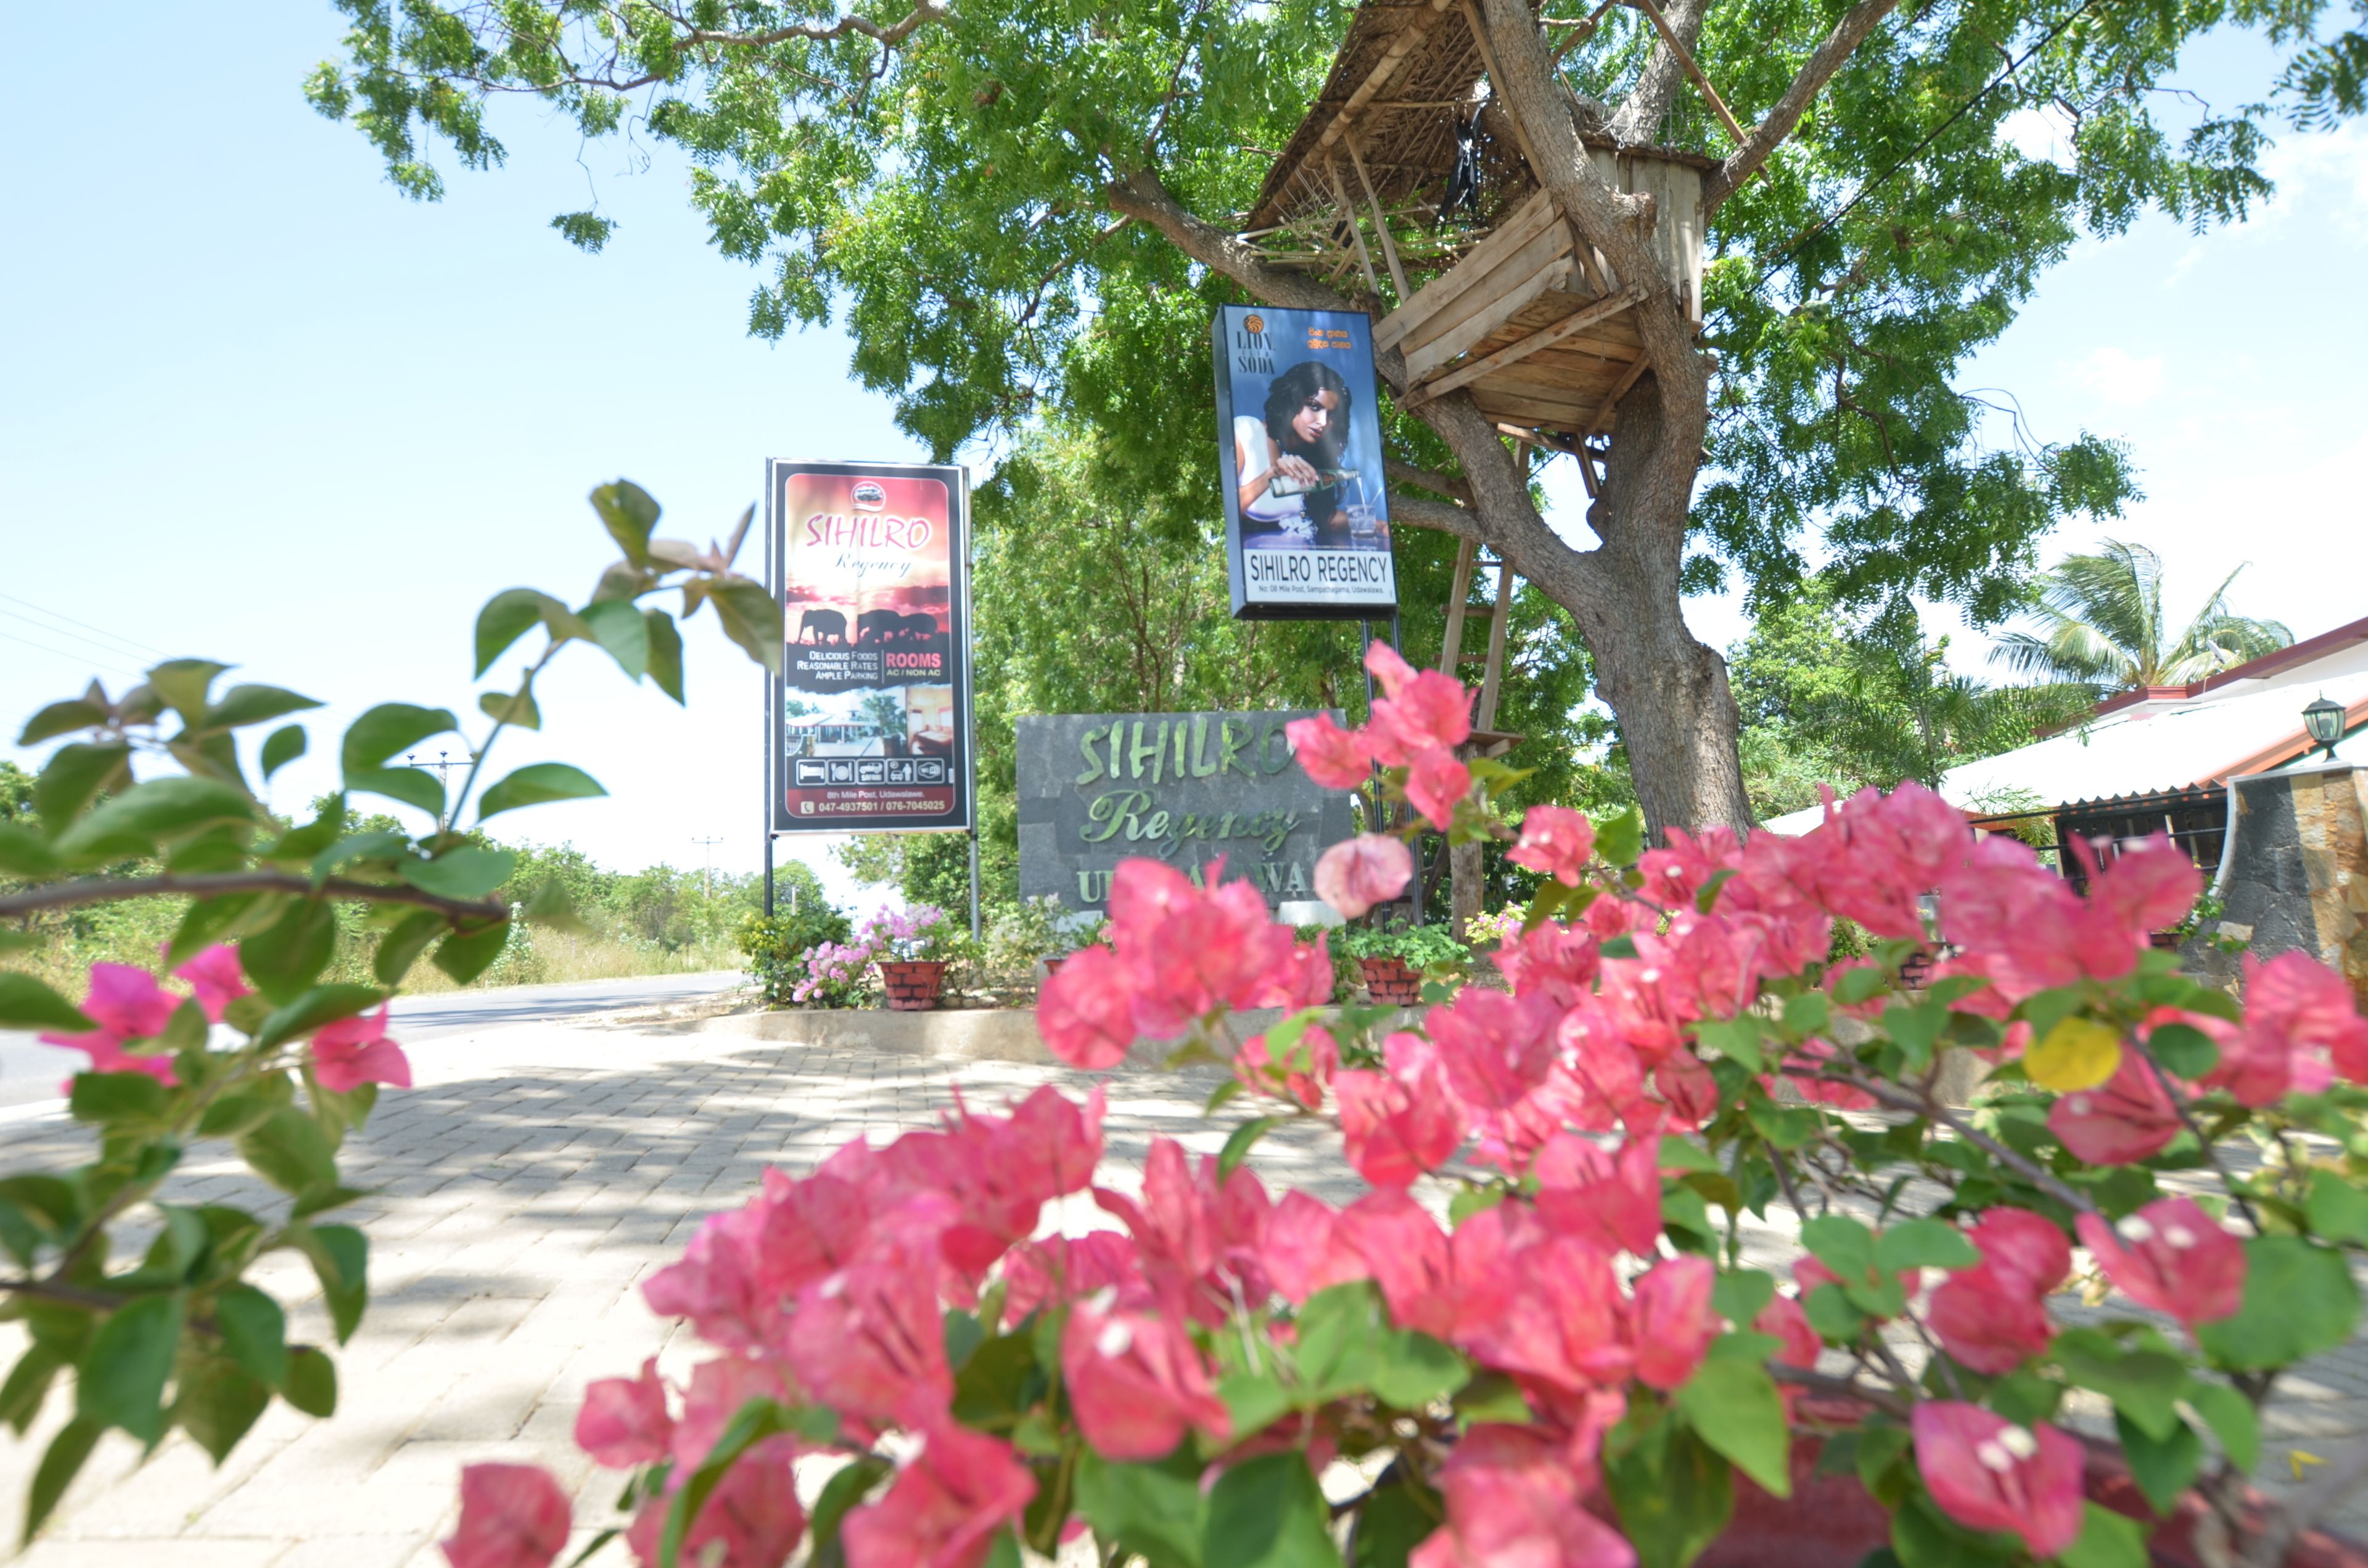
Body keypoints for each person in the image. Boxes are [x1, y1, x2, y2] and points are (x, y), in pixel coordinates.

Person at [1235, 360, 1371, 543]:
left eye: (1331, 415)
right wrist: (1271, 475)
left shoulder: (1312, 457)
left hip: (1301, 564)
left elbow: (1325, 519)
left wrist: (1377, 525)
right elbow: (1228, 507)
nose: (1323, 422)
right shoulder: (1246, 432)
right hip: (1256, 563)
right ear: (1291, 400)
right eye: (1314, 406)